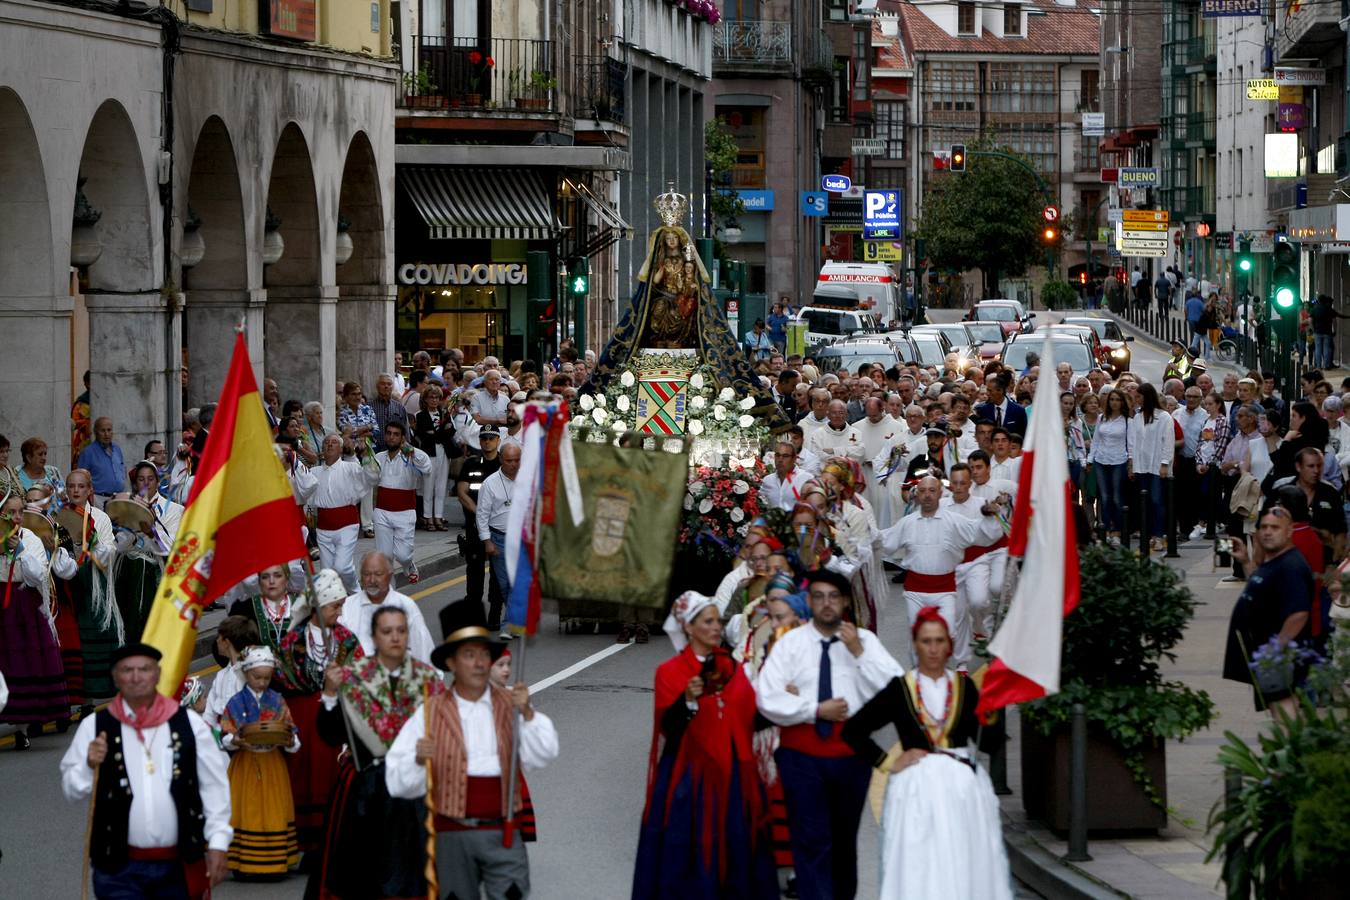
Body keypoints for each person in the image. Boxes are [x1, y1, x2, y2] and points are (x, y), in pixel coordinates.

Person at [386, 599, 560, 900]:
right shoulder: (430, 713)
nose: (480, 663)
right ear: (452, 663)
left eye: (483, 655)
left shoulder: (511, 705)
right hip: (452, 834)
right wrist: (417, 758)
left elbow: (544, 753)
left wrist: (528, 714)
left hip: (504, 831)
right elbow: (397, 781)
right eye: (469, 655)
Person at [841, 607, 1013, 900]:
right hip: (914, 790)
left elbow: (988, 744)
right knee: (918, 862)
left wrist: (992, 709)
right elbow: (854, 730)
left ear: (949, 645)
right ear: (915, 644)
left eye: (939, 641)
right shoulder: (900, 689)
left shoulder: (965, 687)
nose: (933, 649)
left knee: (962, 859)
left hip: (962, 789)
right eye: (925, 641)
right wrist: (888, 762)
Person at [755, 570, 904, 900]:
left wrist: (859, 654)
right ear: (809, 601)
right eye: (819, 596)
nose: (826, 603)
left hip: (851, 758)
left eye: (833, 596)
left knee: (842, 840)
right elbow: (767, 696)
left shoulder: (864, 641)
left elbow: (895, 691)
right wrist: (813, 709)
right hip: (801, 756)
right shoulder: (789, 642)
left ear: (845, 601)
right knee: (811, 839)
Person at [632, 591, 780, 899]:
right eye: (708, 621)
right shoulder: (670, 672)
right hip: (691, 780)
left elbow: (751, 717)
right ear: (688, 627)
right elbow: (669, 730)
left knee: (740, 852)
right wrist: (688, 700)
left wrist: (789, 702)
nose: (716, 627)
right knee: (690, 855)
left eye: (718, 621)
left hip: (736, 776)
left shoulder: (733, 668)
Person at [60, 643, 232, 896]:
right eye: (127, 670)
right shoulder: (95, 726)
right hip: (117, 869)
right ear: (116, 678)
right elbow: (71, 791)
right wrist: (88, 765)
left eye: (145, 669)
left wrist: (218, 843)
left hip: (180, 864)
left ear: (158, 675)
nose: (136, 677)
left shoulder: (190, 724)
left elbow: (214, 788)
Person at [311, 605, 445, 899]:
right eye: (387, 631)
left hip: (413, 790)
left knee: (413, 874)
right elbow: (330, 734)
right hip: (365, 788)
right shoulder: (353, 678)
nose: (395, 637)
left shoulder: (427, 680)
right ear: (374, 636)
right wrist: (330, 694)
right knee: (362, 876)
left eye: (401, 630)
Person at [274, 568, 364, 858]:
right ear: (317, 606)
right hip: (301, 720)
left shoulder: (347, 641)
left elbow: (359, 680)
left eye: (340, 605)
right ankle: (306, 846)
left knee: (333, 779)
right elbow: (282, 681)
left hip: (334, 720)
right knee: (302, 779)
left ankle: (333, 843)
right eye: (334, 605)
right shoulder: (292, 642)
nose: (339, 611)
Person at [881, 475, 1009, 667]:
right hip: (915, 591)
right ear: (916, 495)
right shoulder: (907, 522)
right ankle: (918, 678)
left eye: (932, 491)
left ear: (941, 493)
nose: (927, 495)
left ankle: (947, 673)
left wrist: (990, 515)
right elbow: (885, 540)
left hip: (945, 590)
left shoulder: (954, 520)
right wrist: (862, 532)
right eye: (923, 491)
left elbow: (980, 532)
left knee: (948, 634)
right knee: (917, 633)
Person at [217, 645, 301, 877]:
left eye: (266, 678)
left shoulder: (277, 701)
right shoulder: (235, 702)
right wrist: (234, 741)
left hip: (272, 762)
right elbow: (224, 733)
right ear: (246, 674)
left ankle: (275, 861)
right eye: (257, 677)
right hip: (245, 763)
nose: (262, 682)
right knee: (246, 808)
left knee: (273, 808)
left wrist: (289, 740)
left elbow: (292, 732)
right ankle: (243, 862)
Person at [1223, 507, 1316, 713]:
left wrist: (1275, 650)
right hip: (1267, 657)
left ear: (1289, 531)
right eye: (1264, 527)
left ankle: (1290, 745)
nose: (1267, 532)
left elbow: (1299, 613)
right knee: (1277, 710)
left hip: (1279, 659)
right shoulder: (1273, 560)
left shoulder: (1291, 566)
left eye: (1275, 527)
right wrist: (1246, 561)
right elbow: (1260, 588)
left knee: (1284, 710)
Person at [0, 491, 74, 749]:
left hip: (23, 607)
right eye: (11, 512)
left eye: (21, 512)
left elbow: (37, 576)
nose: (17, 517)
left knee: (21, 663)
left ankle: (22, 728)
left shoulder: (29, 538)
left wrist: (20, 551)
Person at [64, 468, 122, 699]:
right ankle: (78, 691)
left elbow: (110, 552)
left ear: (89, 490)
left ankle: (99, 688)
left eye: (80, 486)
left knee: (97, 629)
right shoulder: (59, 516)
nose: (75, 490)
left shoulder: (100, 517)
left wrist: (92, 539)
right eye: (71, 486)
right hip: (69, 582)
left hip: (95, 582)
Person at [111, 460, 184, 643]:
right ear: (135, 484)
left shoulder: (175, 510)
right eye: (141, 479)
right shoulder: (126, 508)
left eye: (150, 479)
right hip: (130, 576)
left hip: (157, 576)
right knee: (131, 628)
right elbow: (119, 546)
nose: (146, 483)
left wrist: (152, 534)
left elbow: (171, 547)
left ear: (157, 482)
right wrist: (131, 534)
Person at [338, 551, 436, 664]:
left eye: (378, 574)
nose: (372, 580)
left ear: (390, 575)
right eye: (366, 574)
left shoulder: (406, 606)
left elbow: (424, 651)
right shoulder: (347, 607)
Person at [312, 432, 380, 594]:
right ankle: (336, 609)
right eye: (327, 442)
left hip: (346, 526)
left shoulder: (351, 468)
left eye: (334, 442)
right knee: (327, 575)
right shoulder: (314, 472)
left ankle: (356, 593)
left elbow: (372, 477)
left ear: (341, 449)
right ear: (322, 448)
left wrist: (366, 455)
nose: (329, 444)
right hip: (323, 528)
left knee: (342, 567)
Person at [373, 420, 433, 584]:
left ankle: (409, 565)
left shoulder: (412, 457)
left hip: (405, 512)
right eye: (389, 433)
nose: (391, 437)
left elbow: (427, 467)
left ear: (402, 438)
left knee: (403, 555)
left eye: (396, 434)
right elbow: (367, 478)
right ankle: (389, 595)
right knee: (384, 557)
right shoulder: (378, 457)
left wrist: (412, 451)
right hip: (382, 512)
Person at [457, 427, 505, 622]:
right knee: (474, 570)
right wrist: (480, 515)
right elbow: (462, 492)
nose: (487, 442)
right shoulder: (471, 464)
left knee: (497, 572)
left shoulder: (505, 465)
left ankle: (495, 611)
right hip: (475, 526)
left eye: (491, 438)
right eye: (484, 438)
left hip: (499, 528)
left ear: (498, 440)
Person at [478, 442, 523, 635]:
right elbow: (481, 514)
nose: (514, 464)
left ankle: (508, 624)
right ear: (501, 459)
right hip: (499, 539)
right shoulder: (490, 483)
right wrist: (487, 541)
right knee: (505, 584)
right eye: (509, 460)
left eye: (517, 460)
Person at [1130, 384, 1175, 552]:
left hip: (1157, 466)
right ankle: (1148, 534)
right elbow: (1134, 442)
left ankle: (1159, 534)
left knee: (1157, 500)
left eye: (1139, 397)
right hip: (1142, 466)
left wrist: (1164, 463)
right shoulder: (1137, 417)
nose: (1136, 400)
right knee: (1145, 501)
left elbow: (1168, 442)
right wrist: (1132, 464)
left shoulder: (1163, 417)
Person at [1087, 389, 1131, 545]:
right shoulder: (1102, 418)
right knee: (1104, 498)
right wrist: (1090, 459)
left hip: (1119, 460)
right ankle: (1105, 531)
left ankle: (1117, 531)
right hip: (1101, 460)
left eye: (1118, 399)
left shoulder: (1127, 420)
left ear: (1122, 402)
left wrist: (1130, 462)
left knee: (1117, 497)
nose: (1114, 402)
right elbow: (1096, 440)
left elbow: (1130, 443)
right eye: (1112, 399)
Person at [415, 384, 459, 532]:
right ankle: (428, 517)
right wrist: (439, 433)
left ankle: (438, 516)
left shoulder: (445, 413)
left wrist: (436, 433)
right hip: (429, 453)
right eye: (431, 397)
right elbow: (423, 435)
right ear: (425, 399)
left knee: (441, 486)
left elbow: (451, 431)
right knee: (428, 486)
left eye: (437, 397)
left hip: (444, 452)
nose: (434, 400)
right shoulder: (420, 415)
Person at [77, 417, 127, 505]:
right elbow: (81, 478)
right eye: (103, 431)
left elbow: (122, 470)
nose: (106, 434)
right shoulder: (88, 452)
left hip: (118, 497)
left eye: (109, 430)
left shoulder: (117, 449)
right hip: (99, 499)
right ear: (96, 432)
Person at [761, 440, 814, 513]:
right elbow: (762, 505)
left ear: (794, 458)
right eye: (777, 455)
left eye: (785, 456)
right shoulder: (767, 480)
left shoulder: (806, 479)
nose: (780, 459)